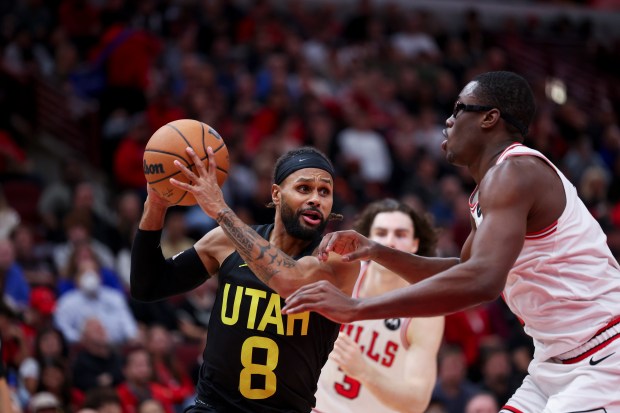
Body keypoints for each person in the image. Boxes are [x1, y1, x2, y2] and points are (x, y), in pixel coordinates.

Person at [283, 71, 620, 411]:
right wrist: (376, 251)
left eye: (459, 108)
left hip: (604, 354)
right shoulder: (492, 187)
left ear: (489, 118)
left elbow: (482, 282)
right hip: (555, 362)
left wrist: (357, 309)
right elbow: (462, 271)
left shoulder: (514, 173)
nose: (449, 119)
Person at [130, 146, 360, 412]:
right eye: (304, 188)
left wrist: (221, 210)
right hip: (212, 408)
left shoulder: (336, 259)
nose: (316, 199)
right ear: (276, 194)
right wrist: (156, 205)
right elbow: (147, 285)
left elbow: (287, 280)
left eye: (325, 192)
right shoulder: (225, 241)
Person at [313, 198, 444, 413]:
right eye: (381, 233)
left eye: (400, 235)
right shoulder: (339, 274)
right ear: (366, 239)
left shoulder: (424, 310)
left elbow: (417, 402)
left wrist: (364, 370)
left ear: (415, 244)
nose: (389, 242)